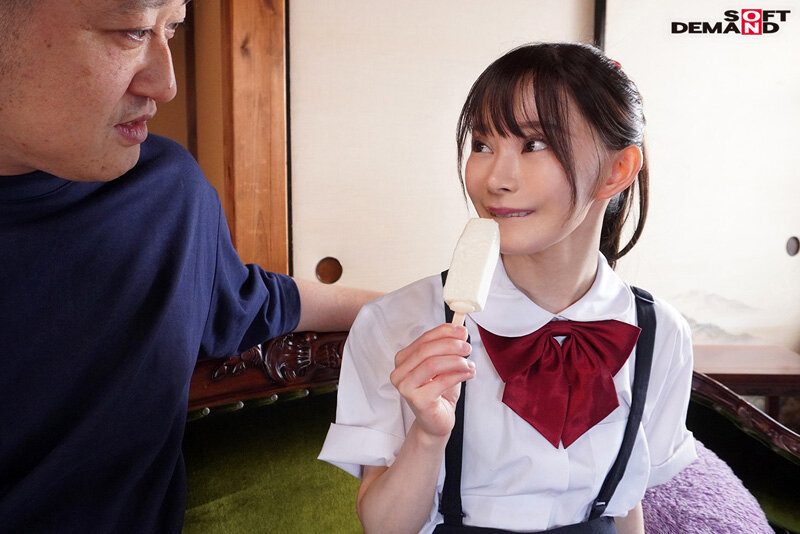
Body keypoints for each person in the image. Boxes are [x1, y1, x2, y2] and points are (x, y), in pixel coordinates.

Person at [0, 0, 379, 532]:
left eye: (172, 28)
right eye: (132, 31)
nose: (166, 85)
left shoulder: (165, 192)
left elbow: (249, 301)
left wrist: (424, 309)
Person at [319, 43, 697, 534]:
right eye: (482, 144)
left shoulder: (660, 332)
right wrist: (428, 436)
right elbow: (384, 529)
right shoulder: (396, 324)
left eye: (534, 145)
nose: (495, 178)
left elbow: (626, 504)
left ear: (617, 170)